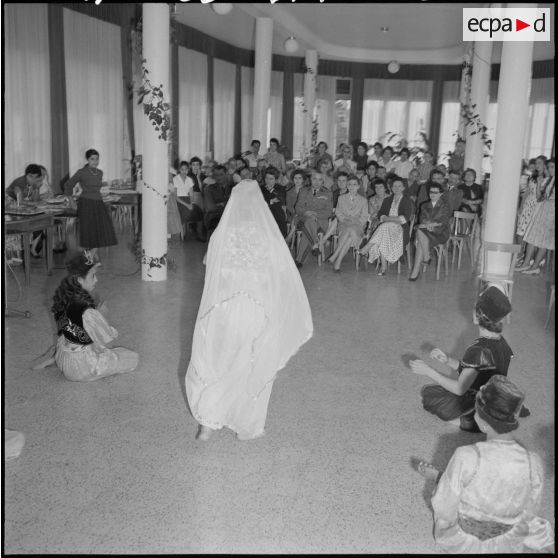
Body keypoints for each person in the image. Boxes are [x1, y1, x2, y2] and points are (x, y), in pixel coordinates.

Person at [185, 179, 313, 441]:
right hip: (256, 309)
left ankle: (207, 423)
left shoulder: (223, 233)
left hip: (223, 309)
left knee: (219, 360)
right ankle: (246, 423)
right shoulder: (267, 236)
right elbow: (280, 272)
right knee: (248, 363)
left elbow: (209, 264)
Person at [415, 375, 554, 554]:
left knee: (445, 495)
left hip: (463, 541)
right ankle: (441, 478)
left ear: (481, 420)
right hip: (506, 541)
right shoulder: (533, 462)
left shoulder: (466, 456)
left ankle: (441, 478)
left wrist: (444, 498)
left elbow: (444, 505)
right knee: (536, 527)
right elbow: (530, 510)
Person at [410, 285, 519, 433]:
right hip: (494, 401)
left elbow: (460, 389)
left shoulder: (477, 350)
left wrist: (428, 371)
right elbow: (477, 371)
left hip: (478, 402)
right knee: (435, 393)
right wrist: (447, 360)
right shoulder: (502, 343)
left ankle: (470, 422)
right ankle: (483, 419)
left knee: (429, 397)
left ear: (476, 316)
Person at [51, 250, 139, 382]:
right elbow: (107, 343)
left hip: (65, 359)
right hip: (83, 367)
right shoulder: (87, 311)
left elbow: (68, 330)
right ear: (79, 280)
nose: (96, 279)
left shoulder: (63, 299)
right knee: (132, 357)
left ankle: (55, 360)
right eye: (93, 276)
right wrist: (102, 316)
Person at [64, 149, 117, 256]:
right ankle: (90, 255)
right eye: (92, 159)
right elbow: (68, 185)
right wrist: (71, 201)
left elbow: (96, 187)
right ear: (87, 160)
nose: (95, 161)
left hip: (98, 203)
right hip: (86, 203)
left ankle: (92, 253)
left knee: (102, 229)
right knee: (89, 230)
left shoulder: (100, 173)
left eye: (97, 159)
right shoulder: (81, 172)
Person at [359, 176, 414, 275]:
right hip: (387, 229)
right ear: (391, 188)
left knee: (384, 226)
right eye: (394, 186)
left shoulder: (407, 201)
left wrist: (389, 219)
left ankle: (367, 248)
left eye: (399, 186)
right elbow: (381, 215)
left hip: (400, 230)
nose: (396, 188)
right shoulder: (387, 200)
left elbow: (405, 219)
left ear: (403, 188)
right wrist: (391, 219)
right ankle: (383, 267)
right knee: (384, 230)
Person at [518, 158, 555, 276]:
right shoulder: (549, 180)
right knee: (531, 237)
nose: (550, 169)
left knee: (543, 240)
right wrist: (539, 184)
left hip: (550, 212)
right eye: (549, 167)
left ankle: (535, 265)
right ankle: (526, 263)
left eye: (552, 167)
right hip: (543, 210)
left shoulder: (550, 179)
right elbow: (540, 197)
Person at [409, 182, 452, 280]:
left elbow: (444, 220)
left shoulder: (445, 205)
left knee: (420, 234)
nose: (432, 194)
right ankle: (424, 260)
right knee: (420, 236)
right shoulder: (424, 205)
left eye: (435, 192)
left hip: (441, 232)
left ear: (441, 194)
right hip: (426, 231)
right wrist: (427, 224)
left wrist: (430, 224)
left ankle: (419, 268)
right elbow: (422, 219)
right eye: (431, 192)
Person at [326, 175, 368, 272]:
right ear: (347, 186)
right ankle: (337, 261)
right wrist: (344, 219)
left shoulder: (363, 200)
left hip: (358, 226)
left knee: (351, 230)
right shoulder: (341, 198)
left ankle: (336, 257)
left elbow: (365, 216)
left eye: (354, 184)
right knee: (349, 234)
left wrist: (355, 221)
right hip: (344, 224)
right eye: (350, 184)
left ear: (358, 186)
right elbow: (338, 212)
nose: (352, 187)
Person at [294, 171, 334, 268]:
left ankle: (299, 260)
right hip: (303, 219)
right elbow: (297, 207)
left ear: (323, 181)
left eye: (320, 180)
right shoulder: (303, 191)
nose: (317, 182)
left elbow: (328, 211)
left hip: (321, 221)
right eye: (314, 179)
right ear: (310, 179)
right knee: (309, 221)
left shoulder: (328, 193)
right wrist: (305, 213)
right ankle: (315, 245)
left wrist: (315, 214)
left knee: (309, 223)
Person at [515, 155, 548, 266]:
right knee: (520, 231)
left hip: (538, 206)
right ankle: (520, 254)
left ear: (544, 164)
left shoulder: (547, 178)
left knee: (531, 233)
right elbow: (526, 193)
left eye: (539, 163)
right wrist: (521, 207)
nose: (537, 165)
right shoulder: (532, 177)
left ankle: (531, 257)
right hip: (528, 206)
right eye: (536, 163)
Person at [260, 166, 287, 237]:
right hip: (263, 214)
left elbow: (281, 200)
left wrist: (272, 191)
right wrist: (271, 201)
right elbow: (260, 202)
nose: (268, 181)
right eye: (266, 178)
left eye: (271, 179)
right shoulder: (261, 189)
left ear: (276, 180)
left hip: (277, 215)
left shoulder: (280, 188)